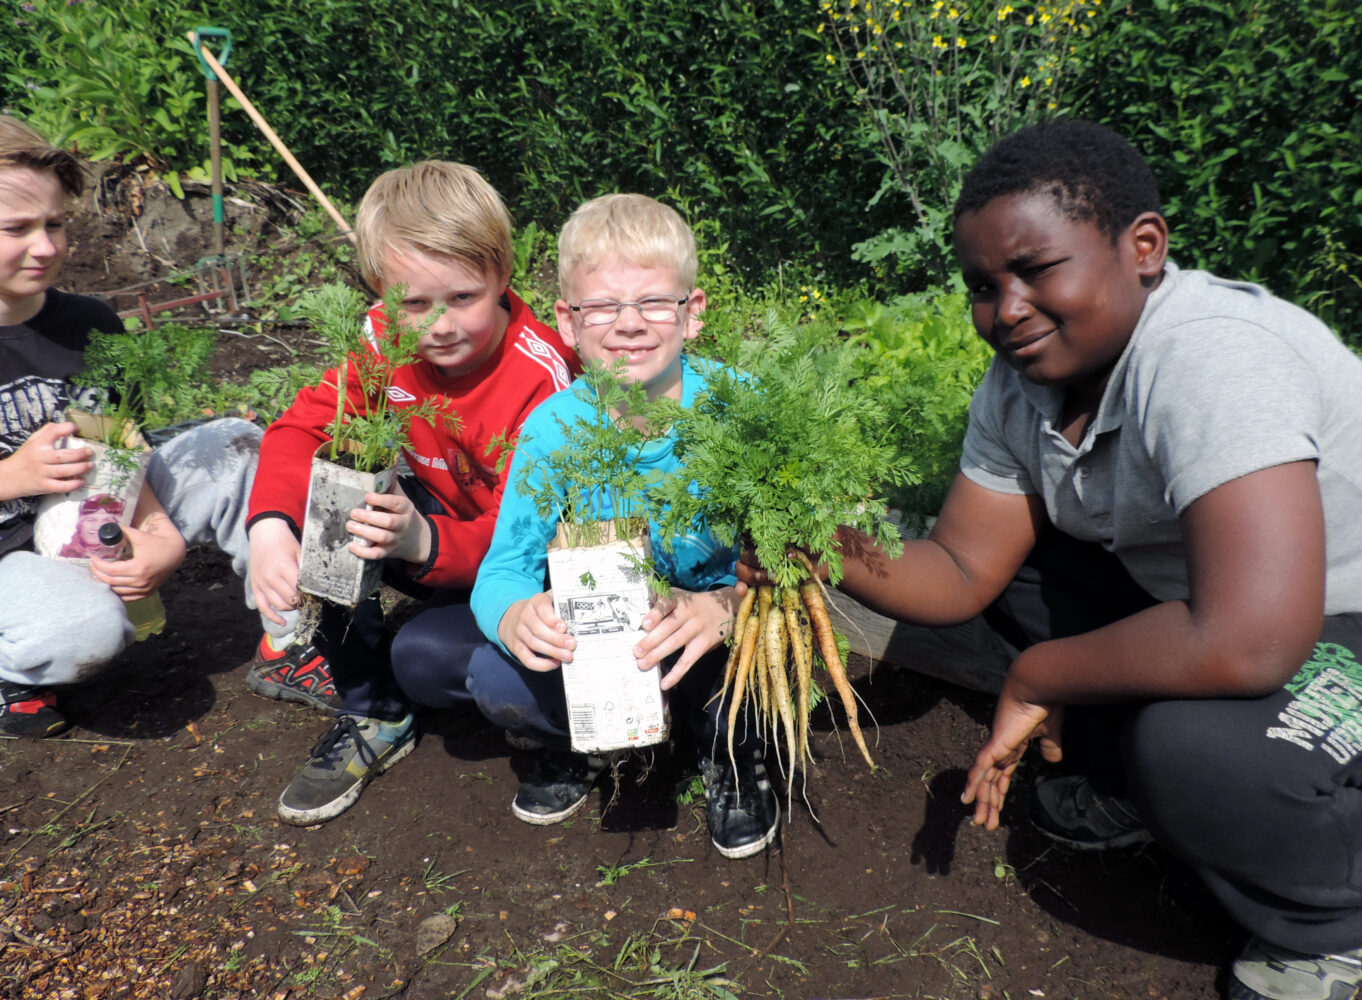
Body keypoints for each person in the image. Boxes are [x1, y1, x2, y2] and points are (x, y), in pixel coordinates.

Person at [794, 119, 1362, 1000]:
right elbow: (963, 567)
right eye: (982, 286)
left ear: (1142, 247)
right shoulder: (1022, 385)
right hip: (1230, 600)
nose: (1005, 310)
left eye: (1037, 270)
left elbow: (1255, 642)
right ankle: (1139, 788)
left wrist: (1044, 675)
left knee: (1200, 750)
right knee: (1029, 583)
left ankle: (1321, 918)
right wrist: (818, 551)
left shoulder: (1210, 355)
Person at [245, 161, 577, 826]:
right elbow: (299, 427)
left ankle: (564, 728)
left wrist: (423, 541)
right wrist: (269, 528)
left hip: (519, 569)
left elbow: (529, 534)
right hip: (430, 538)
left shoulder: (541, 376)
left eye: (462, 298)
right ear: (379, 292)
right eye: (414, 304)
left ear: (502, 277)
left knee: (424, 654)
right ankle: (371, 709)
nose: (439, 325)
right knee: (333, 494)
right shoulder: (378, 340)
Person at [469, 193, 780, 860]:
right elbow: (499, 571)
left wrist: (726, 605)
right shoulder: (552, 430)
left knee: (751, 684)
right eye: (603, 307)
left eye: (653, 302)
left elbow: (794, 557)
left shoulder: (742, 409)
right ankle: (587, 742)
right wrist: (515, 616)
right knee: (491, 677)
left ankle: (731, 753)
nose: (628, 325)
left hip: (714, 634)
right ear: (568, 321)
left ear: (692, 313)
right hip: (606, 649)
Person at [0, 115, 260, 737]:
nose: (46, 247)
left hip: (82, 519)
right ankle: (12, 669)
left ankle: (294, 633)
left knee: (238, 445)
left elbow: (121, 451)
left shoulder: (90, 325)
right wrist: (11, 476)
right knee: (86, 631)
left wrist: (158, 531)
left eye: (55, 224)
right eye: (17, 229)